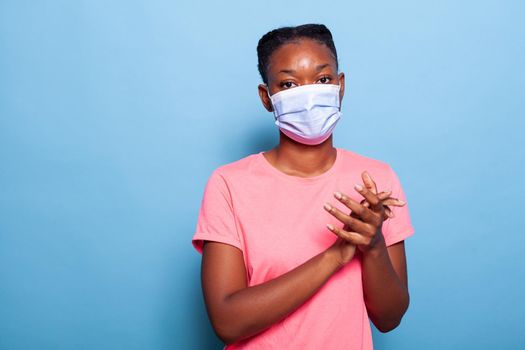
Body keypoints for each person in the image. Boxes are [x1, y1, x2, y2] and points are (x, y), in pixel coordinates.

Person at [191, 23, 414, 349]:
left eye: (323, 79)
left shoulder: (376, 180)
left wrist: (375, 245)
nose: (309, 93)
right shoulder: (229, 185)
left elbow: (390, 318)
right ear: (267, 98)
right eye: (289, 83)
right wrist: (336, 256)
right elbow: (227, 321)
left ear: (340, 86)